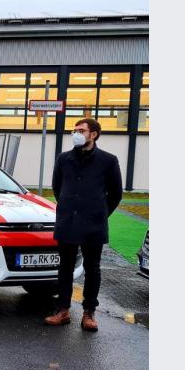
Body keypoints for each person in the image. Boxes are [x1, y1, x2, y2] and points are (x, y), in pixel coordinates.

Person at [45, 118, 122, 331]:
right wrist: (70, 207)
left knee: (92, 268)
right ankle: (62, 310)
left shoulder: (108, 161)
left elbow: (116, 193)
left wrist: (101, 213)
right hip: (68, 222)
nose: (75, 133)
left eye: (81, 130)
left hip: (93, 224)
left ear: (94, 134)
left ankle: (89, 313)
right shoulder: (64, 159)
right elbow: (57, 188)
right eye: (74, 130)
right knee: (65, 268)